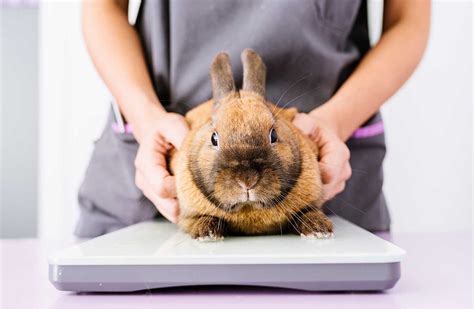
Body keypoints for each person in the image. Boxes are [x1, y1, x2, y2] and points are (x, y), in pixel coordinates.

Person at [75, 0, 430, 237]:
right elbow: (103, 7)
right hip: (156, 170)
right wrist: (146, 118)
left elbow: (408, 21)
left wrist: (335, 123)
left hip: (325, 171)